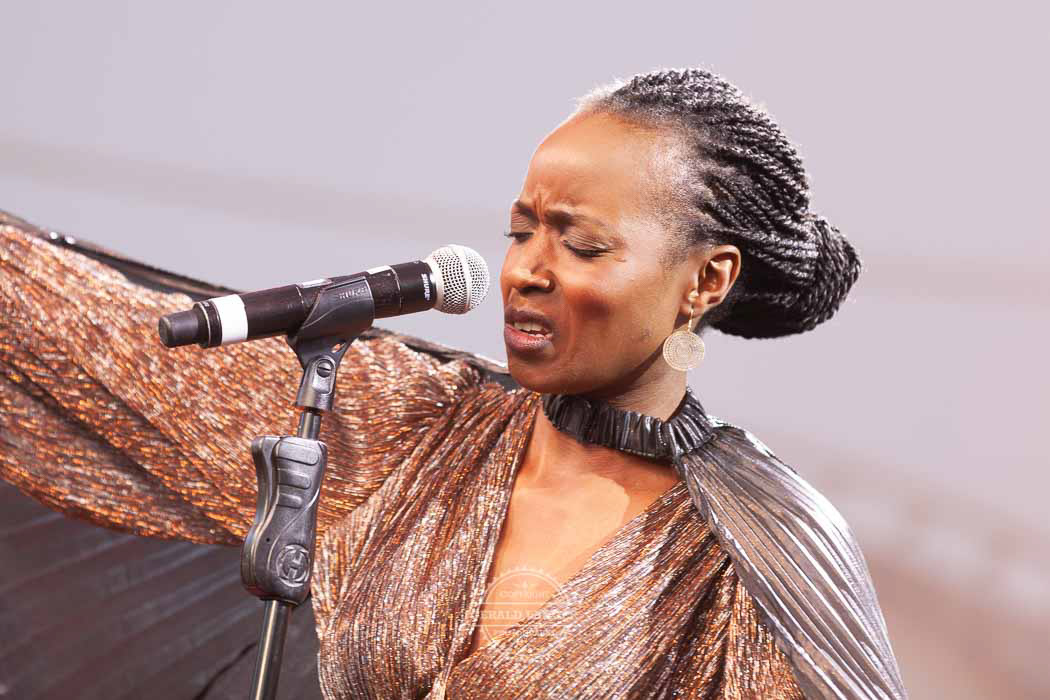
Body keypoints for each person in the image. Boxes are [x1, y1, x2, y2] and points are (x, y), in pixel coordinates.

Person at [0, 68, 906, 699]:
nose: (526, 271)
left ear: (705, 281)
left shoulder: (750, 560)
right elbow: (76, 338)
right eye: (522, 231)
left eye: (582, 244)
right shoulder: (411, 428)